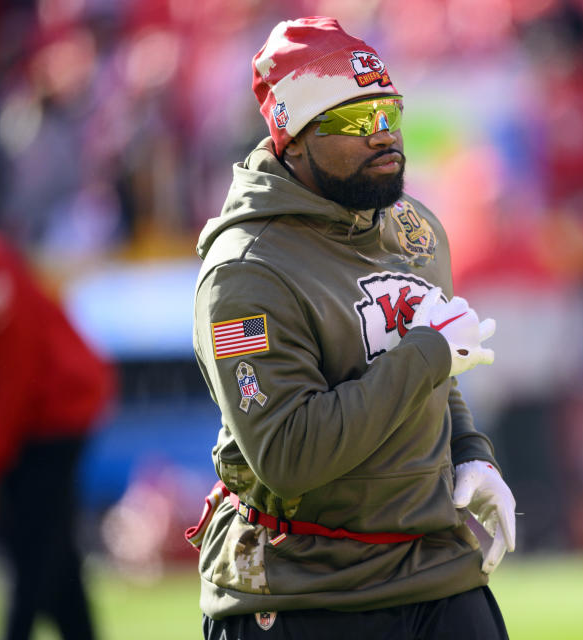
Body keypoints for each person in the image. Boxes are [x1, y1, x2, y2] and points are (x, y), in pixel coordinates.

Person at [187, 17, 516, 639]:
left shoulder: (413, 227)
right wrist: (428, 355)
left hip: (436, 569)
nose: (383, 136)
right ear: (294, 137)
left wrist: (472, 453)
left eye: (388, 112)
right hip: (308, 589)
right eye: (353, 122)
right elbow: (288, 454)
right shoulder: (246, 271)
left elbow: (438, 369)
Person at [0, 230, 116, 640]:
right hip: (40, 417)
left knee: (30, 552)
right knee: (53, 555)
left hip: (52, 418)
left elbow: (14, 376)